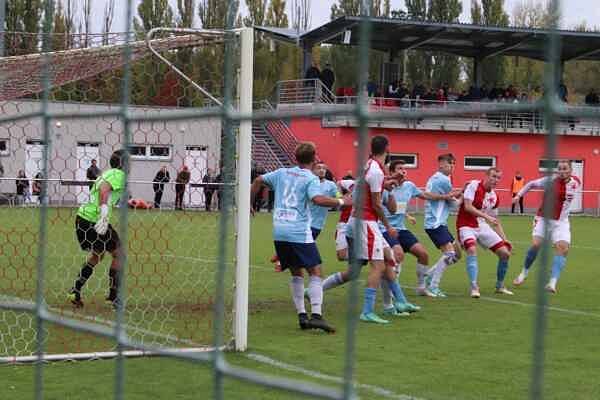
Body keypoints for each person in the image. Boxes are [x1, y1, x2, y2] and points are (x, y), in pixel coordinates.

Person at [250, 142, 349, 333]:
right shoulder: (310, 178)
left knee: (296, 273)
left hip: (279, 230)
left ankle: (302, 316)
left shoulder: (282, 172)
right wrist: (342, 201)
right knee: (316, 271)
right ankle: (317, 316)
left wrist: (249, 202)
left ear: (296, 157)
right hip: (298, 231)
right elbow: (317, 200)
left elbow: (257, 181)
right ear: (314, 158)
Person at [322, 136, 404, 324]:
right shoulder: (375, 169)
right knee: (378, 266)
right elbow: (375, 203)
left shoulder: (371, 165)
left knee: (387, 258)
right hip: (365, 222)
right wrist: (389, 225)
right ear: (387, 148)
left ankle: (397, 302)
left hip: (362, 222)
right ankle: (369, 310)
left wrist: (389, 183)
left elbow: (371, 187)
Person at [379, 160, 455, 302]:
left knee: (423, 254)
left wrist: (444, 197)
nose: (403, 171)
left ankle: (421, 288)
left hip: (401, 229)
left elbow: (426, 195)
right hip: (385, 228)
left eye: (404, 168)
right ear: (391, 173)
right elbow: (381, 207)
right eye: (399, 168)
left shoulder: (409, 186)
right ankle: (393, 290)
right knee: (398, 254)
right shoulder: (385, 189)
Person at [67, 150, 126, 309]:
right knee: (119, 254)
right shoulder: (118, 174)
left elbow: (104, 189)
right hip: (96, 220)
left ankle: (75, 290)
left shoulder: (105, 174)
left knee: (97, 256)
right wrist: (104, 211)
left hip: (82, 219)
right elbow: (104, 189)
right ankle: (114, 297)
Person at [512, 160, 581, 293]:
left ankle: (552, 283)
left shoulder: (576, 182)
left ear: (570, 171)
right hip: (543, 219)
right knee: (536, 245)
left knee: (562, 248)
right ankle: (524, 273)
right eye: (559, 169)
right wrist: (518, 196)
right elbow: (531, 184)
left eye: (564, 169)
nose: (561, 171)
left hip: (561, 222)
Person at [456, 168, 514, 298]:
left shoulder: (494, 197)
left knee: (505, 253)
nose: (495, 180)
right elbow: (468, 206)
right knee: (471, 250)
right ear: (486, 175)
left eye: (498, 178)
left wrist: (505, 238)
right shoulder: (474, 185)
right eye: (493, 176)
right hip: (465, 225)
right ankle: (474, 286)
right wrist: (487, 217)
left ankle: (500, 286)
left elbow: (495, 221)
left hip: (482, 225)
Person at [422, 154, 463, 297]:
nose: (452, 166)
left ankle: (427, 275)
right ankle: (433, 286)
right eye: (449, 163)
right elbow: (453, 203)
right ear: (441, 164)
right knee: (450, 253)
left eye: (453, 163)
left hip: (439, 223)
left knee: (457, 254)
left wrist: (460, 193)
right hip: (435, 223)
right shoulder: (443, 179)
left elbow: (449, 199)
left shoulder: (438, 178)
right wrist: (464, 194)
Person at [308, 162, 338, 240]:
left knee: (290, 249)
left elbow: (339, 196)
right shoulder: (307, 183)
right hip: (302, 223)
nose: (322, 170)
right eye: (319, 168)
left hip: (317, 225)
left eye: (324, 168)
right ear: (312, 170)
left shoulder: (331, 185)